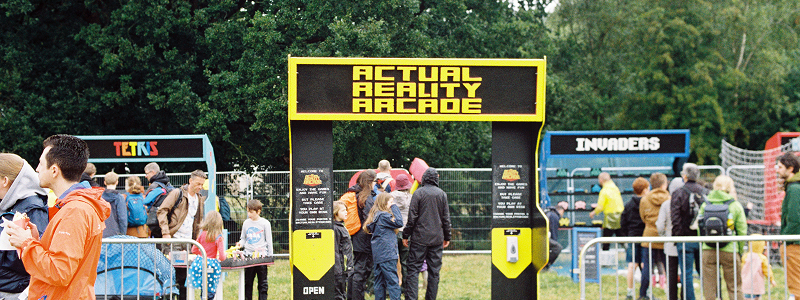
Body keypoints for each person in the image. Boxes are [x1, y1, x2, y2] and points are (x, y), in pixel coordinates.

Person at [6, 134, 110, 299]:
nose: (37, 169)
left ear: (54, 170)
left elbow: (59, 272)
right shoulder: (78, 206)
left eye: (40, 163)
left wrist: (26, 244)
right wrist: (36, 241)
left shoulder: (74, 211)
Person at [0, 153, 49, 298]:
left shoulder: (30, 209)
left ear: (5, 181)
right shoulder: (11, 206)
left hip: (15, 289)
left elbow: (26, 257)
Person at [402, 167, 452, 300]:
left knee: (413, 270)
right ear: (436, 178)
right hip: (436, 239)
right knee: (434, 272)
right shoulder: (442, 194)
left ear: (424, 178)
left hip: (419, 238)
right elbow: (446, 219)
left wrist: (405, 235)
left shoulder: (418, 193)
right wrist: (447, 237)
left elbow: (412, 218)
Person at [158, 169, 206, 300]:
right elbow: (162, 210)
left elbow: (197, 220)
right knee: (171, 275)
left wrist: (197, 239)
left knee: (184, 276)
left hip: (188, 241)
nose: (200, 187)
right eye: (197, 184)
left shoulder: (199, 198)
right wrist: (166, 232)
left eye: (202, 185)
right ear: (190, 181)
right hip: (174, 239)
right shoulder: (177, 193)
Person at [699, 175, 747, 300]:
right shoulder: (735, 205)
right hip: (730, 248)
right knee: (734, 287)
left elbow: (700, 227)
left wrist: (704, 243)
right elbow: (742, 230)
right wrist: (739, 250)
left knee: (709, 288)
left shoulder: (705, 204)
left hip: (708, 248)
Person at [671, 163, 707, 300]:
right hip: (703, 239)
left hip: (685, 238)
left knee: (687, 273)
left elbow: (675, 219)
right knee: (704, 272)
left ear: (684, 176)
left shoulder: (678, 193)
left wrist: (678, 237)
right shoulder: (705, 192)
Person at [365, 193, 404, 300]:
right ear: (384, 203)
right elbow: (399, 222)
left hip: (379, 254)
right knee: (392, 282)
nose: (392, 205)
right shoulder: (384, 216)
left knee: (379, 281)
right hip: (387, 254)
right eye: (390, 202)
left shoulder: (376, 216)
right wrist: (395, 207)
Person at [348, 170, 377, 300]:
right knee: (361, 271)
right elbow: (369, 220)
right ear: (369, 182)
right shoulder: (366, 197)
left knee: (356, 270)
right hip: (364, 239)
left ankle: (351, 296)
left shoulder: (355, 194)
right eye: (375, 181)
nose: (376, 184)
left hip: (355, 237)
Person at [640, 173, 669, 299]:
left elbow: (643, 217)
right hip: (665, 236)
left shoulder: (645, 199)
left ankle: (642, 293)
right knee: (669, 266)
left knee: (647, 267)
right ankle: (672, 293)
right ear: (664, 184)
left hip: (649, 236)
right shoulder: (669, 198)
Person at [237, 199, 272, 300]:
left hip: (261, 257)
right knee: (248, 283)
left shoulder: (265, 223)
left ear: (258, 211)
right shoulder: (246, 223)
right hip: (248, 256)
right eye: (248, 211)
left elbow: (269, 241)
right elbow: (243, 238)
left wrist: (270, 257)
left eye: (251, 212)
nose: (249, 214)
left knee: (263, 284)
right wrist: (240, 243)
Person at [620, 177, 648, 300]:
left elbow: (623, 221)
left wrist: (628, 234)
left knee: (632, 264)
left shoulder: (629, 204)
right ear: (645, 189)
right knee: (645, 264)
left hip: (632, 236)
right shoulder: (647, 203)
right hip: (646, 237)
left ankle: (630, 291)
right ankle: (645, 292)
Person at [777, 152, 800, 299]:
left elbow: (794, 218)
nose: (777, 170)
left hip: (794, 244)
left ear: (790, 168)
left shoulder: (794, 189)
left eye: (780, 167)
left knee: (796, 286)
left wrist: (784, 239)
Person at [189, 211, 226, 300]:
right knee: (211, 289)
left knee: (204, 288)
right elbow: (222, 257)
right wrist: (224, 255)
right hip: (212, 265)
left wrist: (202, 254)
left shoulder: (202, 234)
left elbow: (194, 249)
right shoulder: (218, 236)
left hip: (200, 263)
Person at [659, 177, 684, 300]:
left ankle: (672, 297)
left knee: (671, 274)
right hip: (685, 242)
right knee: (686, 272)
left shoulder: (666, 204)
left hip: (670, 244)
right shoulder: (686, 201)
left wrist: (664, 237)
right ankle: (684, 296)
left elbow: (660, 225)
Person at [389, 173, 413, 295]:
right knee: (405, 262)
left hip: (393, 231)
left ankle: (391, 289)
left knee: (391, 261)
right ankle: (406, 289)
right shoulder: (411, 197)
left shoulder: (390, 196)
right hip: (406, 232)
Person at [589, 172, 625, 251]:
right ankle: (632, 255)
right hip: (620, 216)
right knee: (622, 238)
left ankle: (605, 260)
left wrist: (593, 213)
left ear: (601, 180)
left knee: (606, 240)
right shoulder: (615, 188)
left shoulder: (604, 191)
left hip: (610, 217)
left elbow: (600, 206)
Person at [741, 235, 777, 300]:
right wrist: (771, 279)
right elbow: (767, 270)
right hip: (758, 285)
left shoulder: (745, 256)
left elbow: (741, 268)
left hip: (746, 284)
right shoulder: (762, 258)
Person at [332, 200, 353, 300]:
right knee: (338, 294)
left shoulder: (341, 227)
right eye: (343, 210)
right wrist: (338, 270)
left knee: (343, 292)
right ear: (336, 213)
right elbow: (335, 250)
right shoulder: (335, 229)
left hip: (344, 268)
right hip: (339, 269)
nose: (346, 212)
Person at [101, 171, 127, 237]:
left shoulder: (99, 197)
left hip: (101, 232)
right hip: (115, 233)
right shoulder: (119, 197)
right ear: (117, 182)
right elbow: (122, 218)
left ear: (105, 182)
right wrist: (123, 234)